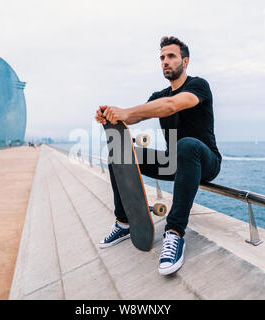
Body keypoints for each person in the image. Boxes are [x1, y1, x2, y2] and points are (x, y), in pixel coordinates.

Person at [95, 36, 222, 276]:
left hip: (206, 161)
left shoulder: (198, 86)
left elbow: (172, 105)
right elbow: (135, 117)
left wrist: (126, 112)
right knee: (119, 153)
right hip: (175, 162)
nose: (165, 61)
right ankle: (124, 223)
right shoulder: (158, 94)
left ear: (185, 61)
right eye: (162, 57)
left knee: (186, 145)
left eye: (171, 56)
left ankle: (174, 234)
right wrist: (113, 115)